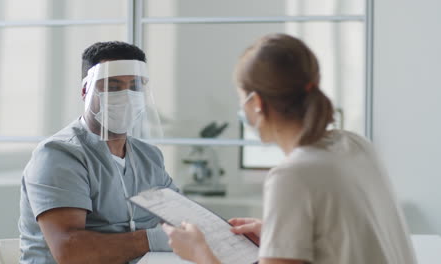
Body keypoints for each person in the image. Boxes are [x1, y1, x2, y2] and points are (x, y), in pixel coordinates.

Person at [162, 34, 417, 264]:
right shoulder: (355, 145)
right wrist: (280, 236)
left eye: (241, 100)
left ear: (257, 103)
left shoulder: (292, 175)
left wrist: (200, 255)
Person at [19, 41, 178, 264]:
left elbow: (179, 218)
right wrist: (152, 239)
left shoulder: (148, 156)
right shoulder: (58, 155)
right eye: (112, 87)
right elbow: (70, 251)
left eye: (135, 87)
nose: (126, 96)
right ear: (86, 90)